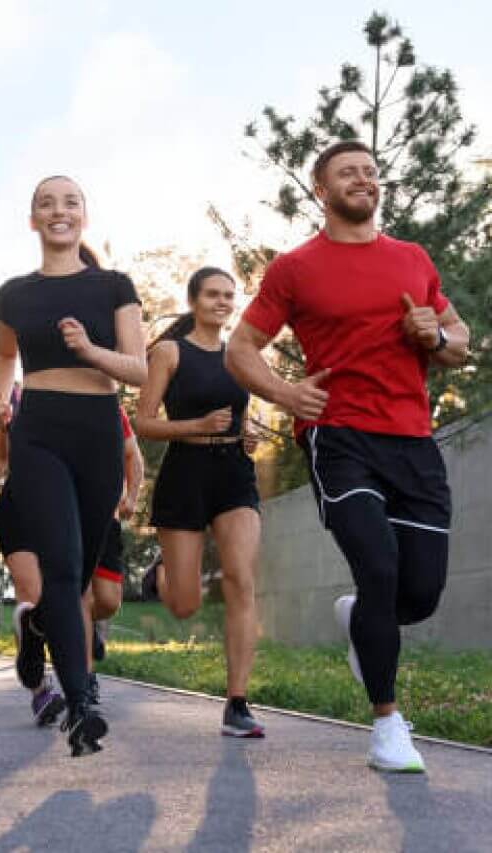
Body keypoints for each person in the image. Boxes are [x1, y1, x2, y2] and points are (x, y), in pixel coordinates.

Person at [225, 140, 469, 771]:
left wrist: (434, 334)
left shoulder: (412, 259)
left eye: (369, 171)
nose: (363, 179)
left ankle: (361, 619)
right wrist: (284, 392)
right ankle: (388, 727)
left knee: (419, 593)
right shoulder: (296, 268)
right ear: (320, 190)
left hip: (413, 440)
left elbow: (458, 341)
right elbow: (242, 348)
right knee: (380, 569)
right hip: (341, 437)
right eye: (347, 173)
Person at [0, 175, 146, 756]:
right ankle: (81, 705)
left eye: (70, 202)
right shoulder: (13, 294)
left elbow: (139, 370)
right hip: (39, 432)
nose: (59, 211)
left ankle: (34, 627)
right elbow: (4, 355)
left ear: (84, 216)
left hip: (98, 429)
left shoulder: (113, 285)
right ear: (33, 220)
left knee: (75, 580)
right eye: (46, 204)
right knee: (63, 564)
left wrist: (89, 351)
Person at [136, 266, 264, 738]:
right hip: (185, 474)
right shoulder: (170, 352)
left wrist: (246, 434)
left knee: (241, 579)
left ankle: (237, 701)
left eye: (229, 296)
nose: (222, 302)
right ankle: (162, 572)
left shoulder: (241, 354)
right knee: (185, 605)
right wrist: (196, 427)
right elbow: (144, 422)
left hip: (234, 475)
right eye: (213, 294)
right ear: (194, 300)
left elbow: (244, 413)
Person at [0, 383, 66, 726]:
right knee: (32, 593)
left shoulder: (74, 388)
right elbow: (0, 454)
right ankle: (41, 690)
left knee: (61, 595)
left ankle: (70, 673)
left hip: (61, 505)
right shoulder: (11, 397)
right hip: (18, 507)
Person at [83, 406, 144, 705]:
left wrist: (131, 496)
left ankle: (72, 622)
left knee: (107, 601)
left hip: (107, 519)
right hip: (69, 516)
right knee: (78, 596)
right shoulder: (55, 399)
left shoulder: (112, 410)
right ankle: (85, 680)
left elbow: (133, 456)